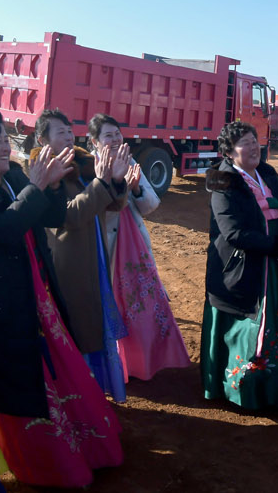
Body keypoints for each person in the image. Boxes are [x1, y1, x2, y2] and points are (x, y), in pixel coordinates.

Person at [0, 110, 124, 487]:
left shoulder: (16, 174)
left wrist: (50, 186)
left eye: (2, 137)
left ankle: (80, 446)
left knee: (57, 370)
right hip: (2, 301)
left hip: (36, 291)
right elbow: (2, 231)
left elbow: (51, 215)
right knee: (22, 382)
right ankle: (45, 464)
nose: (1, 143)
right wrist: (38, 186)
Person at [201, 121, 278, 409]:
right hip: (244, 269)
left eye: (254, 140)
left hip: (273, 267)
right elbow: (233, 233)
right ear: (229, 152)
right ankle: (248, 392)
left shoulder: (265, 172)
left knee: (275, 324)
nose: (253, 147)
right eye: (244, 143)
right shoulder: (223, 182)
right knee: (250, 329)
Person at [31, 108, 131, 400]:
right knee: (75, 327)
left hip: (93, 255)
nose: (67, 135)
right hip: (70, 262)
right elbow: (70, 216)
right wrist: (102, 184)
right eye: (59, 131)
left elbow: (112, 205)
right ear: (42, 138)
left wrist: (117, 181)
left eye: (68, 130)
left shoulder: (82, 164)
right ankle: (78, 397)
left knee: (92, 323)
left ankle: (94, 394)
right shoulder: (44, 171)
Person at [88, 113, 190, 383]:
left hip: (133, 244)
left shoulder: (131, 162)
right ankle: (114, 364)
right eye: (107, 135)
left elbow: (150, 205)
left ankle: (140, 361)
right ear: (94, 141)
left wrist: (134, 189)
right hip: (103, 247)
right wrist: (115, 186)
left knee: (138, 301)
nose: (114, 139)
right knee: (109, 301)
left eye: (117, 134)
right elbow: (91, 212)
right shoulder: (89, 167)